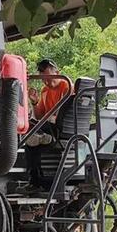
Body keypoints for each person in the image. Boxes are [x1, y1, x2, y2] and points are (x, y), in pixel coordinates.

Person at [25, 58, 71, 186]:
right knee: (29, 137)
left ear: (57, 72)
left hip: (61, 127)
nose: (46, 82)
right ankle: (36, 179)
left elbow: (65, 114)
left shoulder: (66, 86)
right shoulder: (45, 90)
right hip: (47, 125)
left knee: (31, 141)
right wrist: (34, 101)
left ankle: (34, 181)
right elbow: (40, 115)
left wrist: (52, 118)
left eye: (48, 78)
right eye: (43, 79)